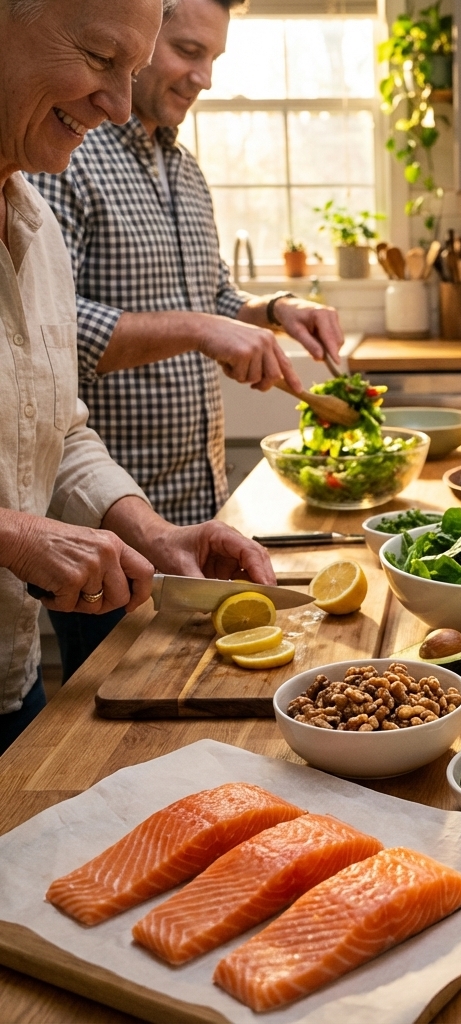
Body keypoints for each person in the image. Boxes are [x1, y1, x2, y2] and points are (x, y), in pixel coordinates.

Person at [29, 0, 345, 680]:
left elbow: (213, 296)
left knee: (203, 692)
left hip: (200, 510)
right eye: (188, 51)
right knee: (119, 720)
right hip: (106, 524)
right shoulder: (65, 151)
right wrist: (202, 330)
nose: (203, 77)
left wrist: (273, 308)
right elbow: (48, 330)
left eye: (214, 59)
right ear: (142, 43)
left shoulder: (185, 170)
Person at [0, 0, 277, 754]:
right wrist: (15, 533)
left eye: (131, 66)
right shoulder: (71, 167)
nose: (119, 102)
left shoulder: (33, 224)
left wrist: (155, 535)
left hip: (9, 673)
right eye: (98, 58)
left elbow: (56, 431)